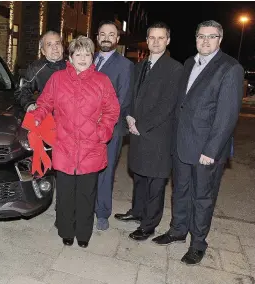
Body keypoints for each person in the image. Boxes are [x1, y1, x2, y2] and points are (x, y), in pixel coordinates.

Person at [152, 20, 244, 265]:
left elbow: (227, 116)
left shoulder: (230, 68)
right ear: (195, 38)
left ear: (220, 39)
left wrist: (211, 150)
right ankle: (178, 230)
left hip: (206, 150)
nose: (205, 41)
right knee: (180, 191)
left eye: (211, 37)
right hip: (182, 144)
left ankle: (198, 243)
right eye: (201, 36)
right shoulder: (189, 63)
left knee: (202, 198)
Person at [30, 36, 120, 248]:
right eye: (77, 54)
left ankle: (83, 233)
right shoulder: (58, 79)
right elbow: (44, 102)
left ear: (93, 57)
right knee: (65, 192)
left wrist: (102, 132)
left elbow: (112, 110)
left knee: (87, 194)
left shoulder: (102, 81)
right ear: (70, 57)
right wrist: (37, 116)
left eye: (87, 54)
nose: (82, 58)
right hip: (64, 145)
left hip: (91, 147)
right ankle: (66, 230)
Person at [114, 22, 183, 241]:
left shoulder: (174, 68)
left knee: (155, 182)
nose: (155, 42)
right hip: (138, 132)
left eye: (160, 38)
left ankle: (149, 225)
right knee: (140, 177)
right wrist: (129, 117)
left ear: (168, 40)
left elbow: (167, 105)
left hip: (158, 136)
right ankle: (137, 212)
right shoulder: (140, 65)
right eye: (152, 38)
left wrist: (140, 125)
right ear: (147, 39)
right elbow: (132, 96)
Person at [93, 21, 134, 230]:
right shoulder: (87, 58)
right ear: (97, 37)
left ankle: (102, 213)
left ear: (117, 39)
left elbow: (124, 99)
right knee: (85, 169)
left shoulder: (125, 65)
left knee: (105, 171)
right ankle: (84, 206)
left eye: (111, 34)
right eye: (102, 34)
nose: (106, 37)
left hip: (111, 127)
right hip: (85, 127)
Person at [15, 30, 66, 113]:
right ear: (43, 51)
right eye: (49, 44)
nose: (55, 47)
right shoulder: (36, 68)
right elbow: (21, 91)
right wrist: (29, 105)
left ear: (62, 47)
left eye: (57, 43)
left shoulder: (73, 65)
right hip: (47, 119)